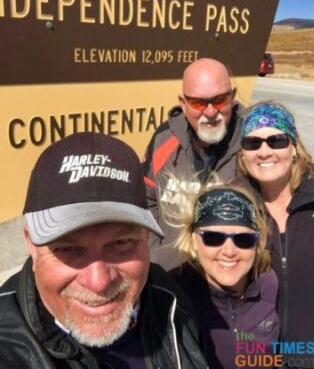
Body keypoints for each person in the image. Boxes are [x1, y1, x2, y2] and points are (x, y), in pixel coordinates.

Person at [0, 132, 208, 369]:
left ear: (146, 237)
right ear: (32, 247)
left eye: (120, 244)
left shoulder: (169, 298)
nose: (98, 282)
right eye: (68, 248)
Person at [238, 101, 314, 369]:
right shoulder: (234, 206)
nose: (264, 151)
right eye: (253, 143)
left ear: (294, 147)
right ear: (242, 155)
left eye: (276, 140)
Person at [143, 57, 245, 269]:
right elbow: (147, 200)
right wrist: (156, 254)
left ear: (233, 96)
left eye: (219, 100)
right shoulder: (164, 139)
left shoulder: (254, 144)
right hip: (170, 278)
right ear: (183, 103)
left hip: (228, 287)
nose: (210, 112)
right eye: (198, 102)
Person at [167, 183, 280, 369]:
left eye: (243, 239)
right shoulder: (173, 293)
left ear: (257, 242)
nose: (229, 251)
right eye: (213, 238)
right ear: (194, 240)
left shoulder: (268, 282)